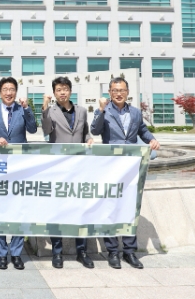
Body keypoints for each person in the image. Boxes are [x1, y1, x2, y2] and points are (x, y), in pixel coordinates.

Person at [90, 77, 160, 270]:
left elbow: (143, 131)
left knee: (129, 208)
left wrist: (152, 140)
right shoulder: (105, 111)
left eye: (121, 90)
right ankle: (112, 252)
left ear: (127, 92)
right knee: (110, 208)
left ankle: (129, 251)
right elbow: (94, 130)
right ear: (110, 93)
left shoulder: (136, 113)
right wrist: (100, 110)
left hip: (131, 167)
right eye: (114, 90)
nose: (118, 93)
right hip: (111, 167)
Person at [0, 76, 36, 271]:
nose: (9, 93)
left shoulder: (23, 110)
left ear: (16, 92)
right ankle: (2, 254)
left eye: (12, 89)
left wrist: (27, 109)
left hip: (21, 166)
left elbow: (33, 128)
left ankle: (17, 253)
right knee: (1, 209)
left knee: (20, 209)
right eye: (5, 89)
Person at [41, 76, 94, 269]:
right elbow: (46, 131)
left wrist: (89, 139)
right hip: (58, 168)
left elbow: (84, 132)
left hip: (79, 168)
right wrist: (45, 108)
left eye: (65, 89)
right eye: (58, 90)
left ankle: (82, 251)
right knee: (57, 211)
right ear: (54, 93)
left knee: (81, 210)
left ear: (70, 91)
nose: (62, 92)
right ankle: (57, 252)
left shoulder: (81, 111)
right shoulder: (52, 111)